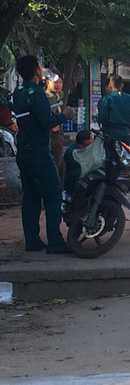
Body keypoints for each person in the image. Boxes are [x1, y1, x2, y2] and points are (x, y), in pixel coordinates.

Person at [12, 55, 75, 253]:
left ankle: (32, 240)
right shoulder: (37, 93)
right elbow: (46, 123)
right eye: (40, 66)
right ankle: (55, 241)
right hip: (39, 151)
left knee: (31, 197)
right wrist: (64, 116)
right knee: (53, 194)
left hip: (24, 151)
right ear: (37, 70)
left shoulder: (19, 92)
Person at [97, 74, 130, 192]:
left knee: (111, 158)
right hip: (125, 132)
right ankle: (126, 184)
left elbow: (102, 117)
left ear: (110, 85)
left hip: (111, 133)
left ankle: (111, 183)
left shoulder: (108, 99)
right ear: (122, 85)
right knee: (126, 158)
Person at [44, 68, 65, 183]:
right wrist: (51, 127)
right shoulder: (49, 97)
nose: (58, 85)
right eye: (55, 82)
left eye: (60, 82)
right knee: (56, 167)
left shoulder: (56, 96)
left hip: (57, 136)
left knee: (61, 167)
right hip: (53, 137)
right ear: (48, 82)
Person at [63, 129, 94, 194]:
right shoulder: (72, 152)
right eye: (91, 139)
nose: (92, 141)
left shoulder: (85, 150)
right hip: (72, 181)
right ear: (85, 142)